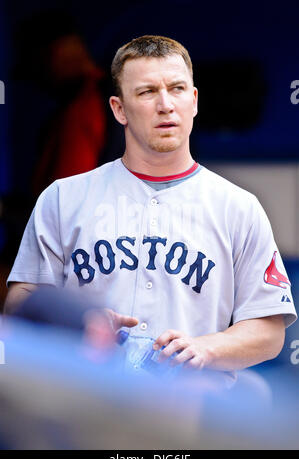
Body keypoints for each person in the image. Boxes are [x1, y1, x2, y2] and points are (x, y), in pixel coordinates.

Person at [4, 35, 297, 376]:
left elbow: (269, 330)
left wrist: (206, 348)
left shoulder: (239, 208)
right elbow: (19, 302)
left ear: (194, 100)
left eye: (177, 89)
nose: (166, 105)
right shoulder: (62, 197)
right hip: (82, 407)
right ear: (119, 109)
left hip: (192, 415)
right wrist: (77, 322)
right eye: (146, 92)